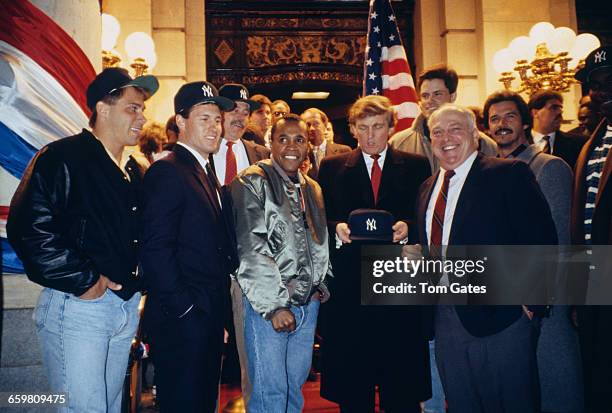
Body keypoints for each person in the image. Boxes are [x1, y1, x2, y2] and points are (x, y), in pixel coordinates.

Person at [6, 67, 159, 412]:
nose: (142, 117)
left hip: (120, 309)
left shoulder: (133, 171)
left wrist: (138, 283)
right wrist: (85, 280)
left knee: (105, 406)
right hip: (78, 307)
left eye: (143, 110)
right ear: (103, 109)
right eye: (132, 108)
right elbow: (27, 228)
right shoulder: (63, 157)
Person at [417, 103, 557, 412]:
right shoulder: (427, 188)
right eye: (437, 132)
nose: (446, 138)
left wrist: (531, 305)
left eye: (455, 129)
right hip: (446, 323)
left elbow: (541, 239)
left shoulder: (507, 174)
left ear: (475, 136)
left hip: (503, 320)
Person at [318, 95, 431, 413]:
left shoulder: (416, 165)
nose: (370, 135)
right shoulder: (331, 168)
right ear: (352, 129)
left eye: (378, 126)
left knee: (403, 392)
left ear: (391, 128)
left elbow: (427, 217)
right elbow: (315, 220)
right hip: (351, 294)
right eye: (363, 127)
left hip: (399, 291)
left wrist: (407, 227)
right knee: (355, 393)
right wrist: (336, 228)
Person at [139, 81, 238, 412]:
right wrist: (187, 310)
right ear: (180, 122)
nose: (214, 127)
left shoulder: (202, 170)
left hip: (206, 318)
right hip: (183, 321)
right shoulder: (168, 171)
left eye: (217, 118)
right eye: (204, 118)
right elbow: (156, 249)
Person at [484, 90, 583, 412]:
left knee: (553, 390)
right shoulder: (489, 173)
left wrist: (542, 300)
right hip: (505, 303)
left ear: (525, 122)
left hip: (544, 305)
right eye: (494, 119)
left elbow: (558, 243)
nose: (502, 124)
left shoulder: (548, 168)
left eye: (509, 116)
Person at [230, 114, 332, 413]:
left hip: (307, 304)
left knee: (292, 391)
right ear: (270, 142)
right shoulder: (251, 181)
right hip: (269, 306)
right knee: (268, 393)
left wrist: (320, 285)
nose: (291, 146)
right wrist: (275, 306)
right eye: (283, 139)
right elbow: (250, 248)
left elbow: (320, 242)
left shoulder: (312, 187)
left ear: (308, 145)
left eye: (299, 139)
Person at [571, 44, 612, 412]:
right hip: (595, 276)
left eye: (610, 79)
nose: (603, 90)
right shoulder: (594, 139)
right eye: (596, 83)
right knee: (598, 374)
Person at [389, 64, 497, 173]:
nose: (430, 101)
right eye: (425, 96)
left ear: (453, 96)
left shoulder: (483, 143)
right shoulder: (398, 143)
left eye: (437, 94)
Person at [210, 83, 270, 186]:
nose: (240, 118)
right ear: (219, 113)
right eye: (235, 110)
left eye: (245, 113)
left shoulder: (263, 155)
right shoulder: (203, 152)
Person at [528, 90, 588, 170]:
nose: (560, 112)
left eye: (560, 108)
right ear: (535, 113)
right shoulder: (518, 143)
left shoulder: (579, 144)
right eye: (554, 108)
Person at [301, 107, 350, 179]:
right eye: (308, 125)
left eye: (316, 124)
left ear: (325, 125)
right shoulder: (301, 153)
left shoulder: (344, 151)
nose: (311, 128)